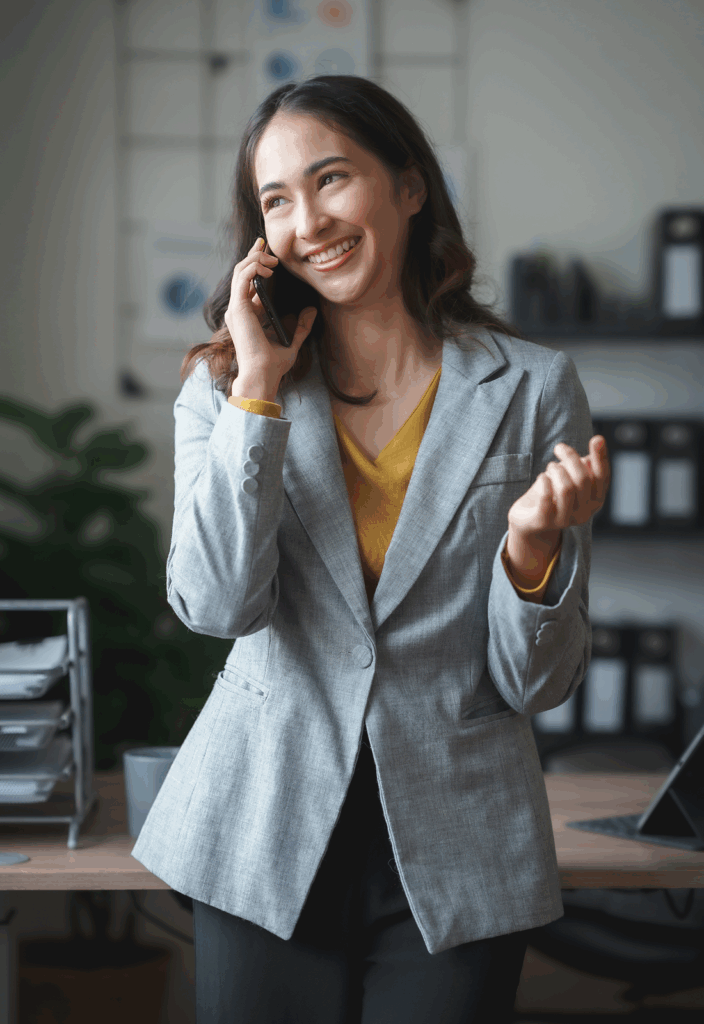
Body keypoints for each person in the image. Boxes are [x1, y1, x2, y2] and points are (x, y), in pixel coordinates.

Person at [130, 75, 610, 1023]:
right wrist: (260, 388)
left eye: (332, 179)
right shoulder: (222, 390)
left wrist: (531, 553)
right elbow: (219, 606)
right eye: (276, 200)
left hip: (462, 839)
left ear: (409, 185)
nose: (308, 220)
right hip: (260, 828)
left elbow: (538, 685)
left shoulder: (533, 389)